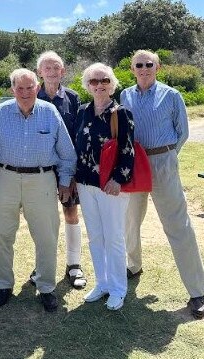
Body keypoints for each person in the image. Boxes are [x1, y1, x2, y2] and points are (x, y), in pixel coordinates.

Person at [0, 68, 77, 311]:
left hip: (42, 180)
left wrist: (65, 181)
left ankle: (46, 287)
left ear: (37, 87)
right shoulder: (1, 113)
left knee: (46, 236)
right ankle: (3, 286)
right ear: (13, 89)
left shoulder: (50, 112)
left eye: (29, 87)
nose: (25, 93)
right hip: (5, 178)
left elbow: (67, 153)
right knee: (3, 235)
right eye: (19, 88)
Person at [121, 49, 204, 318]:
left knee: (178, 225)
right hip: (135, 163)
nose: (143, 68)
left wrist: (166, 158)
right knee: (131, 219)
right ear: (132, 69)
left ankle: (198, 290)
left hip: (162, 161)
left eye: (149, 64)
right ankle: (133, 266)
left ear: (158, 67)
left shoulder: (172, 95)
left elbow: (183, 133)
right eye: (138, 65)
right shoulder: (125, 95)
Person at [75, 63, 135, 311]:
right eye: (93, 81)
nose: (99, 85)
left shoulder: (121, 113)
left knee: (114, 237)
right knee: (96, 236)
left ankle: (119, 289)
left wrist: (118, 179)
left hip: (110, 185)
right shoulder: (82, 111)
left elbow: (127, 150)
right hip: (85, 183)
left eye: (104, 81)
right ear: (87, 85)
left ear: (112, 84)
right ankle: (102, 283)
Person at [29, 50, 86, 289]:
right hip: (38, 171)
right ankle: (42, 266)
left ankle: (74, 265)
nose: (52, 72)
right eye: (47, 68)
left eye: (56, 68)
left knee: (71, 215)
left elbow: (78, 139)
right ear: (39, 72)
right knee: (42, 220)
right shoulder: (30, 96)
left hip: (67, 170)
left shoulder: (73, 99)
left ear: (63, 72)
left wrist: (72, 174)